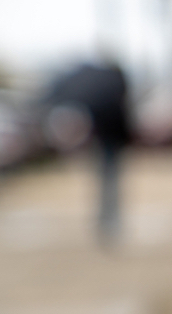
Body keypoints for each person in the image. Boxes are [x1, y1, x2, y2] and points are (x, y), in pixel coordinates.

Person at [46, 61, 133, 244]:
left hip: (108, 142)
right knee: (109, 181)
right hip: (110, 142)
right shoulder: (112, 97)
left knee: (107, 181)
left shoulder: (105, 97)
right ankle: (108, 218)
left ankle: (107, 218)